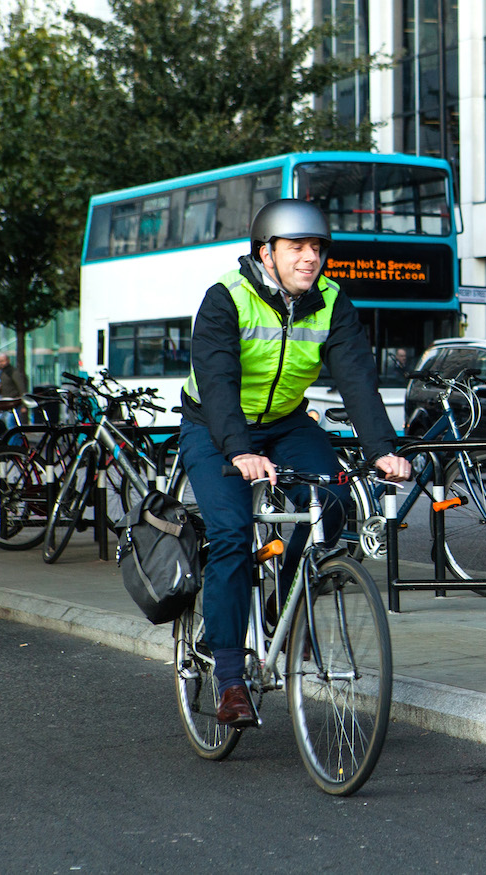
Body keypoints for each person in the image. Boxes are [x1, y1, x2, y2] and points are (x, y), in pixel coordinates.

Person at [178, 199, 412, 727]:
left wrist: (381, 450)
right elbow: (217, 385)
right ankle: (230, 678)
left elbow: (356, 380)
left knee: (333, 502)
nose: (311, 258)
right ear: (268, 252)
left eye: (317, 248)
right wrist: (239, 449)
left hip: (285, 421)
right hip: (213, 425)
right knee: (234, 537)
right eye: (297, 248)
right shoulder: (226, 298)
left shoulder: (331, 301)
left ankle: (279, 611)